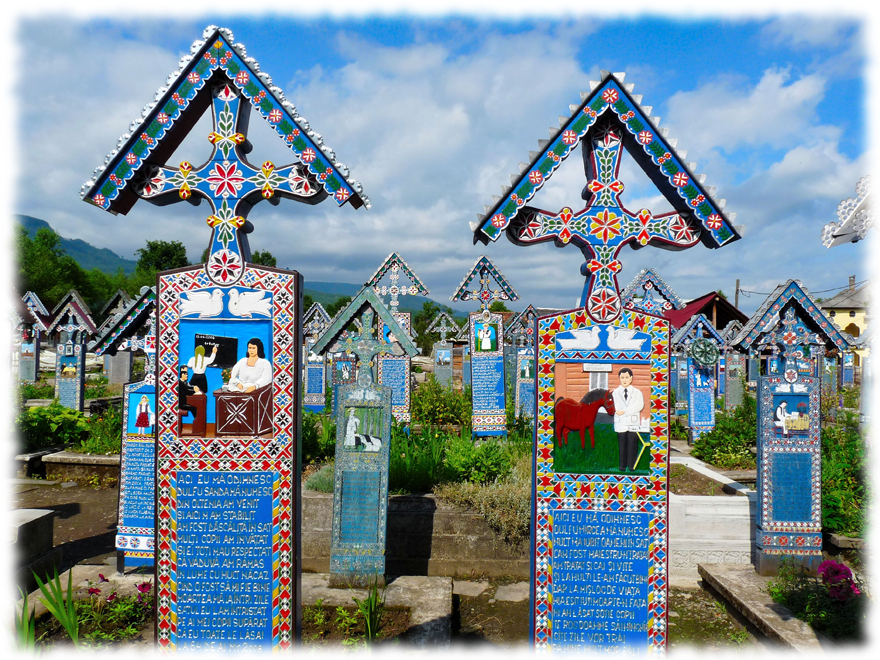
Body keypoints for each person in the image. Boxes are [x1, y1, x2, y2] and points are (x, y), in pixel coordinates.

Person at [611, 367, 645, 471]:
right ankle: (622, 466)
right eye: (622, 377)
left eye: (626, 377)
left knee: (632, 444)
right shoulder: (615, 393)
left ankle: (631, 466)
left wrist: (625, 411)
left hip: (632, 422)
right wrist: (616, 411)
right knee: (622, 445)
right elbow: (613, 405)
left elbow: (639, 405)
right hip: (620, 422)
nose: (624, 380)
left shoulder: (637, 392)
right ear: (619, 379)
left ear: (631, 378)